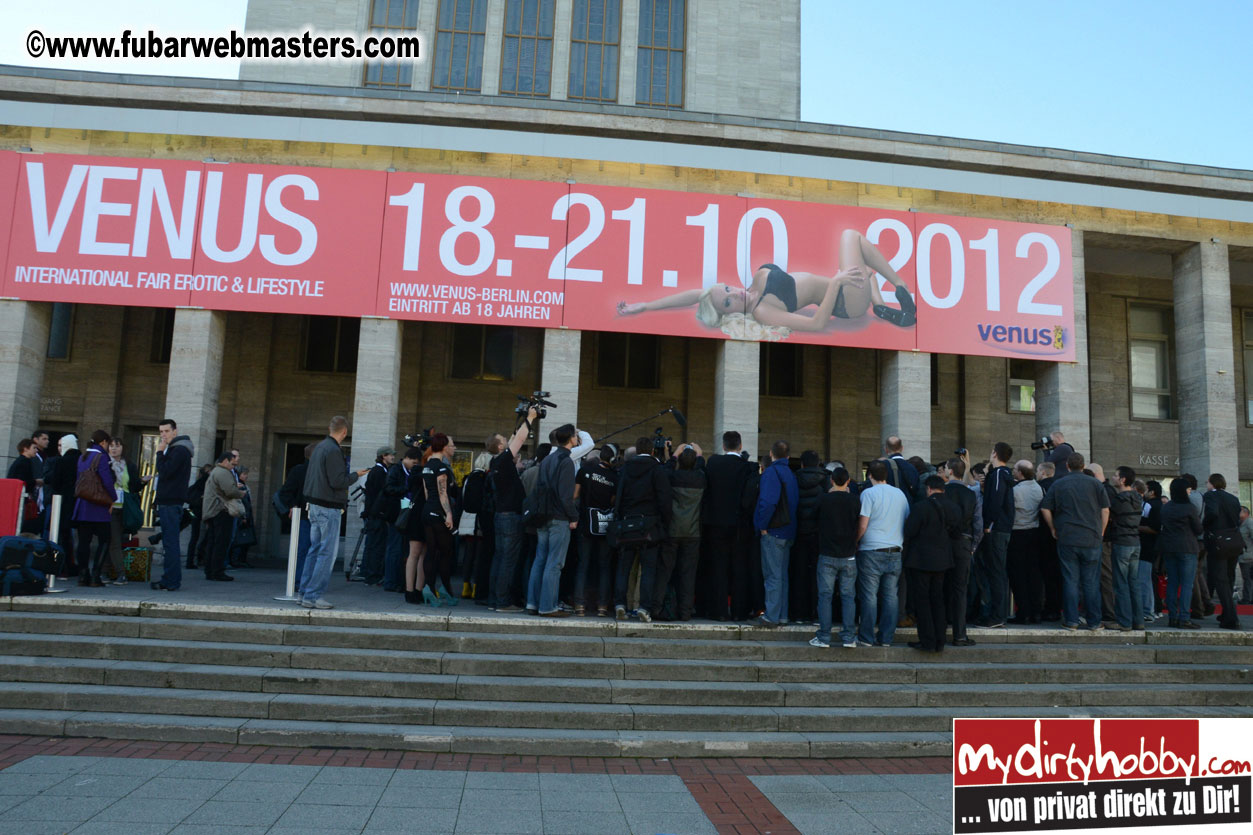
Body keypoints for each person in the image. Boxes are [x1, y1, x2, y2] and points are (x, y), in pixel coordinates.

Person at [616, 229, 916, 332]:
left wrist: (645, 306)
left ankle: (880, 304)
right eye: (729, 301)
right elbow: (816, 324)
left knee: (867, 269)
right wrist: (836, 284)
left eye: (729, 289)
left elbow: (694, 294)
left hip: (849, 289)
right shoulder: (761, 311)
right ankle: (900, 287)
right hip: (845, 301)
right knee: (851, 237)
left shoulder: (752, 286)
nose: (735, 294)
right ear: (730, 312)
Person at [299, 416, 370, 610]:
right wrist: (357, 475)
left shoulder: (320, 447)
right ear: (344, 432)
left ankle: (305, 593)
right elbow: (338, 481)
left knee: (314, 550)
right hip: (327, 508)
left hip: (314, 505)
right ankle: (313, 596)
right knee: (326, 553)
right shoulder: (333, 450)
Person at [1038, 453, 1110, 631]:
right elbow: (1105, 510)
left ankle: (1071, 620)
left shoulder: (1059, 483)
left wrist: (1053, 527)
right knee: (1091, 581)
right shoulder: (1095, 484)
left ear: (1068, 466)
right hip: (1092, 537)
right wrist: (1101, 530)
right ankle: (1094, 621)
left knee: (1070, 580)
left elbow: (1045, 507)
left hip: (1067, 537)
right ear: (1083, 465)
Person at [613, 437, 673, 623]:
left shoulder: (626, 469)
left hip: (628, 524)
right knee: (648, 569)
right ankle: (644, 607)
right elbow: (664, 498)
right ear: (653, 451)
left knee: (624, 567)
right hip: (649, 525)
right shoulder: (657, 470)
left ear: (637, 451)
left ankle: (620, 604)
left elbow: (619, 496)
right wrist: (665, 522)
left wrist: (619, 519)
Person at [526, 424, 581, 617]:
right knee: (554, 563)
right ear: (571, 438)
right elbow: (565, 496)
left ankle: (533, 603)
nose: (577, 437)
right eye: (576, 435)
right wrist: (573, 517)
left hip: (542, 516)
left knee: (539, 560)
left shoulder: (548, 459)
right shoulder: (566, 461)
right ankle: (548, 606)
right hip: (558, 518)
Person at [855, 459, 910, 647]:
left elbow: (863, 524)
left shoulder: (868, 494)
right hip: (895, 550)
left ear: (869, 475)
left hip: (871, 549)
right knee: (890, 596)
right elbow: (906, 520)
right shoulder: (900, 494)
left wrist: (855, 541)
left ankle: (867, 637)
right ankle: (886, 638)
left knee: (869, 595)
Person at [488, 408, 537, 612]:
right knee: (508, 561)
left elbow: (515, 437)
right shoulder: (503, 460)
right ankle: (503, 602)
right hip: (510, 518)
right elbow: (520, 438)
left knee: (500, 558)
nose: (508, 441)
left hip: (501, 516)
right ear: (500, 446)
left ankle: (494, 600)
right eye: (504, 440)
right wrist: (531, 417)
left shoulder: (495, 462)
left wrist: (522, 418)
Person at [701, 431, 754, 621]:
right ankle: (739, 611)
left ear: (724, 446)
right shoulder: (748, 468)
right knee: (739, 568)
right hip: (739, 525)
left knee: (718, 567)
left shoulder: (713, 463)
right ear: (739, 446)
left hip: (715, 523)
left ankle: (719, 611)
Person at [904, 475, 958, 653]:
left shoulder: (921, 507)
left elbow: (909, 531)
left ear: (928, 489)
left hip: (921, 560)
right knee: (938, 599)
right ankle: (940, 639)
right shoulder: (953, 507)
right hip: (943, 559)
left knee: (923, 601)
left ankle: (927, 640)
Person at [811, 467, 861, 648]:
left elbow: (812, 519)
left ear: (831, 480)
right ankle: (849, 637)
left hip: (827, 553)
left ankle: (824, 636)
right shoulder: (855, 501)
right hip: (848, 554)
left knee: (825, 596)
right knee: (848, 596)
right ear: (848, 481)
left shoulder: (823, 499)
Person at [655, 445, 706, 621]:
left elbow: (664, 470)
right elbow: (701, 466)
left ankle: (657, 607)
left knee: (665, 571)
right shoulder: (700, 478)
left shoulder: (673, 476)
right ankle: (685, 611)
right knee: (688, 574)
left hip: (672, 529)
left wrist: (674, 455)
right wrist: (699, 455)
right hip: (693, 532)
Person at [754, 440, 799, 628]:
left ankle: (771, 616)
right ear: (787, 456)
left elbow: (767, 502)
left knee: (772, 575)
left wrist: (762, 525)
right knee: (782, 575)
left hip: (774, 531)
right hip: (788, 530)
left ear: (771, 454)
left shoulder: (771, 473)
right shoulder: (790, 474)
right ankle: (782, 615)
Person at [573, 443, 619, 617]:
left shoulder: (584, 471)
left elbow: (574, 496)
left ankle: (579, 605)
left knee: (583, 565)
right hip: (604, 526)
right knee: (604, 567)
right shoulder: (615, 477)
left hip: (585, 523)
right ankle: (602, 606)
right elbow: (613, 502)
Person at [939, 458, 977, 646]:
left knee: (940, 586)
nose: (944, 470)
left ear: (951, 471)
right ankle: (960, 634)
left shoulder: (943, 492)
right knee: (960, 589)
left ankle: (940, 628)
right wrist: (973, 546)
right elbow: (978, 523)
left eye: (945, 468)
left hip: (943, 543)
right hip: (964, 542)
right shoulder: (971, 494)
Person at [152, 419, 193, 591]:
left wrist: (159, 453)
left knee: (170, 543)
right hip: (170, 501)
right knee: (170, 542)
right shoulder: (179, 450)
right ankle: (170, 579)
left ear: (175, 432)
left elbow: (166, 471)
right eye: (161, 432)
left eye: (166, 431)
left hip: (171, 502)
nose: (163, 435)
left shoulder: (179, 450)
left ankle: (170, 581)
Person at [979, 442, 1016, 628]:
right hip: (1002, 528)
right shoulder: (1002, 474)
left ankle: (997, 616)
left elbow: (995, 500)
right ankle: (998, 614)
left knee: (996, 572)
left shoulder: (1000, 474)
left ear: (994, 453)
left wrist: (988, 524)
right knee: (997, 572)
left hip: (996, 529)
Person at [72, 430, 115, 587]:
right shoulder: (101, 457)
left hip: (83, 504)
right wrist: (112, 499)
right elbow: (107, 481)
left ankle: (83, 575)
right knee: (105, 539)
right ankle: (96, 575)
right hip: (98, 505)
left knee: (83, 541)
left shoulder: (82, 457)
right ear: (103, 442)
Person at [791, 450, 830, 624]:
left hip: (799, 531)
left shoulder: (794, 479)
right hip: (818, 533)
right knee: (817, 574)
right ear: (818, 463)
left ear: (802, 464)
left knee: (798, 573)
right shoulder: (825, 481)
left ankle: (799, 613)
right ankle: (815, 613)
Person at [421, 433, 460, 606]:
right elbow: (443, 493)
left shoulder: (427, 466)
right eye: (452, 444)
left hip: (427, 511)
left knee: (431, 552)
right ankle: (443, 588)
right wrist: (449, 514)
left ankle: (429, 588)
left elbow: (427, 493)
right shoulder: (441, 468)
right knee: (446, 553)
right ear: (444, 446)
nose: (454, 447)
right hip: (439, 514)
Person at [1160, 479, 1203, 629]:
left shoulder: (1166, 507)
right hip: (1187, 547)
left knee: (1172, 582)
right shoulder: (1189, 508)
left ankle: (1172, 617)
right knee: (1186, 584)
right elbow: (1198, 529)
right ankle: (1184, 617)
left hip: (1169, 547)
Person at [1201, 474, 1242, 630]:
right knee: (1229, 578)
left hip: (1218, 541)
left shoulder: (1210, 496)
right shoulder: (1233, 498)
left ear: (1212, 483)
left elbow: (1212, 513)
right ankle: (1227, 614)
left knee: (1220, 579)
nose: (1206, 484)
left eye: (1208, 481)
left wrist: (1205, 525)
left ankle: (1231, 618)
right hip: (1234, 541)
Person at [1107, 466, 1145, 631]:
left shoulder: (1118, 500)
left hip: (1122, 542)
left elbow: (1110, 518)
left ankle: (1124, 621)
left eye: (1116, 475)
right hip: (1135, 542)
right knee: (1134, 583)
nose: (1113, 478)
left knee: (1121, 583)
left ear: (1123, 480)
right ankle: (1138, 620)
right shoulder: (1137, 498)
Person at [1008, 460, 1043, 624]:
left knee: (1018, 574)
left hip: (1018, 533)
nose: (1013, 471)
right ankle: (1036, 611)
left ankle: (1023, 612)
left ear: (1020, 473)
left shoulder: (1015, 490)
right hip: (1035, 533)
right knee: (1034, 573)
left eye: (1014, 469)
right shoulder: (1039, 488)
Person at [105, 438, 143, 586]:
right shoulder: (104, 464)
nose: (114, 449)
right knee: (114, 541)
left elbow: (134, 486)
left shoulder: (129, 465)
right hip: (110, 506)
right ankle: (121, 574)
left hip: (125, 506)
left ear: (122, 448)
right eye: (111, 446)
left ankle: (106, 570)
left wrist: (142, 482)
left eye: (117, 446)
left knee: (116, 540)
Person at [202, 452, 244, 582]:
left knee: (212, 542)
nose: (233, 467)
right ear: (226, 461)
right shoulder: (223, 472)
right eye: (232, 464)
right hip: (221, 511)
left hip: (212, 511)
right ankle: (218, 571)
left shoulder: (215, 472)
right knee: (221, 543)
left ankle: (210, 570)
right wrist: (240, 493)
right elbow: (230, 491)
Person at [358, 446, 395, 587]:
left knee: (373, 544)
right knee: (376, 545)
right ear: (383, 456)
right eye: (390, 455)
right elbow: (378, 494)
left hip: (375, 514)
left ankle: (368, 573)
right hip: (377, 514)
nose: (392, 457)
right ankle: (372, 575)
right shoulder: (379, 471)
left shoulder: (380, 470)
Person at [278, 446, 314, 581]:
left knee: (310, 549)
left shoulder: (317, 470)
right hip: (304, 515)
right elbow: (285, 492)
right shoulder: (300, 470)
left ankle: (304, 579)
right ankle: (299, 579)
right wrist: (293, 506)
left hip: (314, 514)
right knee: (304, 548)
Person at [48, 434, 80, 573]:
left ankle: (64, 566)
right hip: (80, 501)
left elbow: (55, 482)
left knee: (63, 534)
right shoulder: (82, 460)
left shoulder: (62, 461)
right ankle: (77, 565)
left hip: (64, 501)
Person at [1138, 481, 1164, 621]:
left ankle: (1148, 610)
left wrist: (1136, 527)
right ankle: (1155, 608)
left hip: (1147, 545)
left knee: (1145, 579)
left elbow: (1153, 527)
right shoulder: (1161, 505)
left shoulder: (1149, 505)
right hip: (1157, 546)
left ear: (1152, 492)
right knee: (1151, 578)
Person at [7, 439, 42, 535]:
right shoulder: (23, 462)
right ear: (25, 449)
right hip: (20, 498)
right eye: (34, 448)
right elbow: (22, 481)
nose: (36, 450)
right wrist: (36, 481)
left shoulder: (22, 461)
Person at [228, 466, 257, 569]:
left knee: (245, 539)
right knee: (238, 539)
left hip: (246, 514)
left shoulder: (245, 486)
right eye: (244, 474)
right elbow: (241, 502)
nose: (246, 476)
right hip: (241, 514)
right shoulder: (239, 485)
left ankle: (241, 559)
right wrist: (244, 516)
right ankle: (234, 560)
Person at [1238, 506, 1253, 605]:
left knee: (1248, 578)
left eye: (1240, 511)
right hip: (1244, 556)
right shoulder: (1240, 524)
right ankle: (1247, 598)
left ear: (1246, 513)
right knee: (1247, 578)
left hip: (1248, 556)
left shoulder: (1249, 522)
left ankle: (1247, 598)